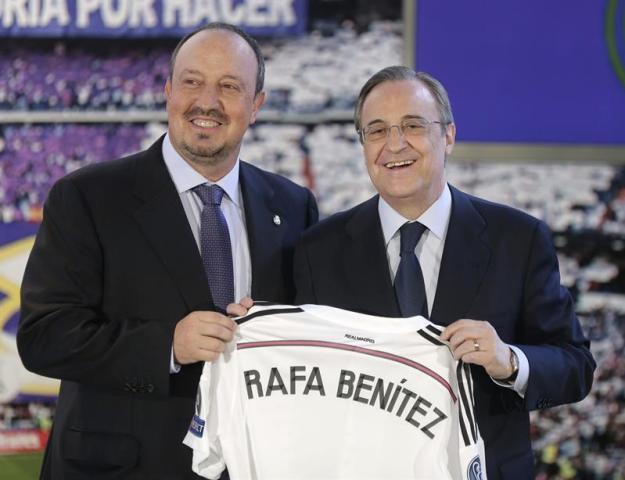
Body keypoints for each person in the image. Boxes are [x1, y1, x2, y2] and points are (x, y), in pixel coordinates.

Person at [18, 23, 318, 479]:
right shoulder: (88, 196)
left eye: (229, 86)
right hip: (119, 468)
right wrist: (168, 346)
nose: (207, 102)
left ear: (255, 105)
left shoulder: (293, 206)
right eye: (192, 81)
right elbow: (44, 337)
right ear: (168, 92)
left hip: (250, 464)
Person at [293, 66, 595, 480]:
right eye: (376, 130)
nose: (394, 144)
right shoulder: (318, 249)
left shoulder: (518, 238)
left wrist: (509, 360)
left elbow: (576, 366)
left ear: (449, 135)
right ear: (362, 144)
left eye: (413, 125)